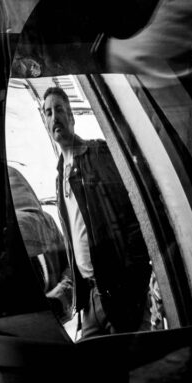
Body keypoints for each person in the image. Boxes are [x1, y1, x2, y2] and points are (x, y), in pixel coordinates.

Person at [41, 87, 151, 338]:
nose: (54, 116)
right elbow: (75, 246)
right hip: (90, 301)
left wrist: (134, 285)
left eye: (59, 109)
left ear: (71, 117)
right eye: (48, 112)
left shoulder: (99, 154)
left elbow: (135, 217)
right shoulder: (60, 180)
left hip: (120, 295)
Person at [7, 165, 72, 321]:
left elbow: (69, 262)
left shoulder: (47, 222)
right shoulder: (4, 247)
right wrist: (55, 299)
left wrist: (65, 285)